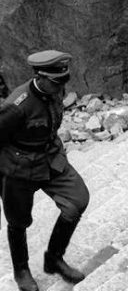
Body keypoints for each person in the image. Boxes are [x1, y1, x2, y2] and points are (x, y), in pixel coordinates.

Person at [0, 51, 89, 291]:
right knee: (18, 222)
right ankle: (21, 270)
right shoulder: (16, 106)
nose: (61, 87)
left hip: (51, 158)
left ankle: (54, 258)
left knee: (77, 200)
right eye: (56, 81)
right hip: (19, 168)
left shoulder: (54, 87)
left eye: (63, 81)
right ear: (40, 77)